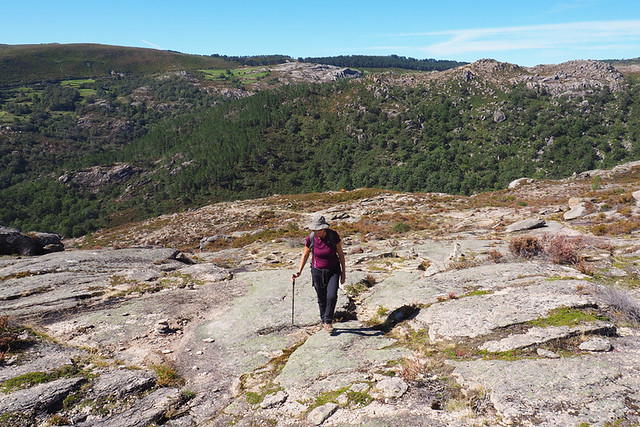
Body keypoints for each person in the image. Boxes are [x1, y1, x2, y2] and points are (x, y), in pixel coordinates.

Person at [292, 213, 346, 333]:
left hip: (333, 270)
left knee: (331, 296)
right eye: (315, 229)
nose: (317, 232)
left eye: (319, 229)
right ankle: (323, 319)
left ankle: (327, 321)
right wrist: (298, 272)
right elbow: (305, 254)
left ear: (324, 227)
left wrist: (343, 273)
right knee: (321, 297)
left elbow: (341, 254)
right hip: (317, 271)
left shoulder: (333, 236)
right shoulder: (311, 238)